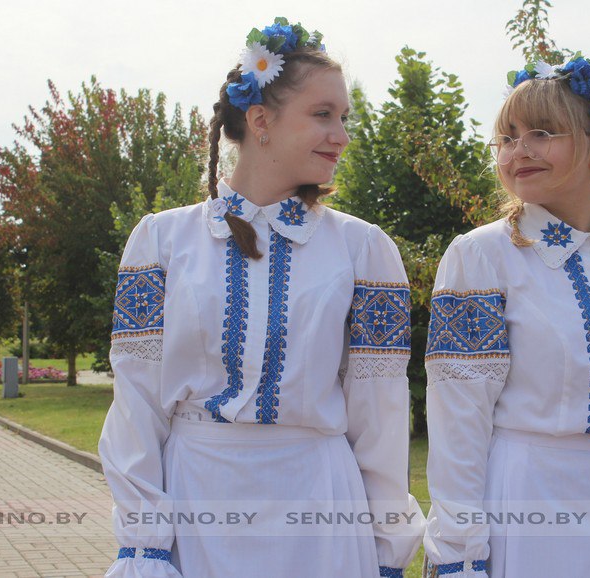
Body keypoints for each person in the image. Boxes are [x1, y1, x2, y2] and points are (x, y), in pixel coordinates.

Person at [99, 18, 424, 578]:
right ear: (260, 120)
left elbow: (381, 413)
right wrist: (145, 542)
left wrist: (388, 546)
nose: (342, 135)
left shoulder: (364, 250)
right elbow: (137, 401)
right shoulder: (160, 241)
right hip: (199, 500)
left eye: (344, 118)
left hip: (322, 507)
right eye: (323, 114)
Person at [422, 56, 590, 577]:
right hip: (525, 498)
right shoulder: (481, 256)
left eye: (541, 133)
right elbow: (459, 416)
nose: (518, 150)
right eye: (507, 138)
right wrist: (459, 546)